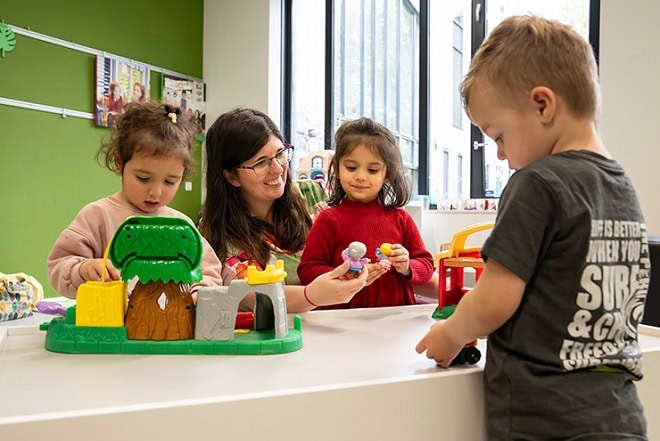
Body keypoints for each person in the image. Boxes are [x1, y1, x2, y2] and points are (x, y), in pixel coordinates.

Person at [416, 15, 649, 440]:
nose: (501, 155)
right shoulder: (622, 185)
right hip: (619, 412)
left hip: (546, 417)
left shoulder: (537, 182)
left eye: (499, 136)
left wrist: (451, 334)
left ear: (543, 105)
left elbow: (494, 299)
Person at [48, 101, 223, 299]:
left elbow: (209, 270)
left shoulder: (182, 225)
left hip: (170, 327)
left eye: (170, 181)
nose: (156, 192)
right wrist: (83, 269)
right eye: (143, 178)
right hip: (109, 325)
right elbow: (59, 265)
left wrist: (200, 291)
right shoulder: (97, 215)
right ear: (119, 163)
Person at [199, 107, 367, 313]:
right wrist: (313, 295)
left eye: (280, 154)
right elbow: (254, 296)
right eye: (261, 163)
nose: (278, 168)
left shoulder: (315, 195)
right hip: (285, 338)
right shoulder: (219, 236)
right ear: (231, 176)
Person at [297, 117, 435, 308]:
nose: (360, 177)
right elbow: (307, 270)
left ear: (386, 174)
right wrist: (345, 274)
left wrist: (406, 266)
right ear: (337, 168)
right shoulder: (329, 219)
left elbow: (426, 265)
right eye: (351, 167)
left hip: (395, 316)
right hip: (343, 317)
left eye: (372, 170)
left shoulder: (400, 218)